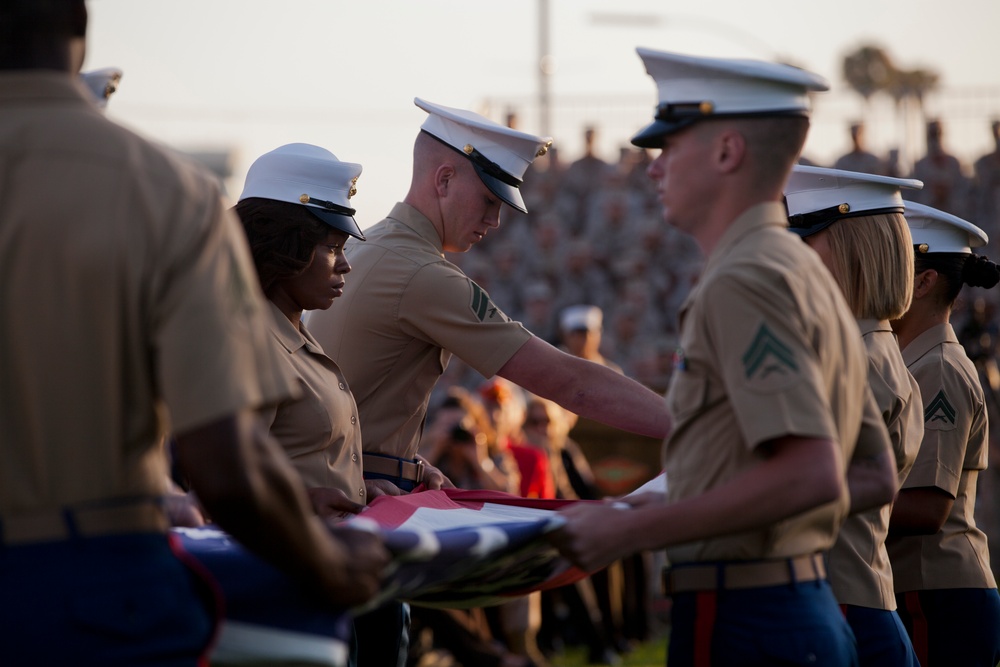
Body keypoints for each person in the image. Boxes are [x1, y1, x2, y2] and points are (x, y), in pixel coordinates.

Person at [0, 2, 388, 665]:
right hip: (100, 588)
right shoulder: (166, 190)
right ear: (79, 28)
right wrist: (325, 561)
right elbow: (224, 463)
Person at [551, 47, 898, 667]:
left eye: (670, 147)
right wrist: (672, 499)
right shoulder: (804, 270)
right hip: (798, 606)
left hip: (747, 620)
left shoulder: (745, 278)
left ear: (726, 152)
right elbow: (872, 475)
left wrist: (631, 531)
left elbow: (812, 472)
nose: (653, 170)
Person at [307, 97, 670, 494]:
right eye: (488, 200)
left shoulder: (368, 244)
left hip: (339, 481)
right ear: (444, 180)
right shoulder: (424, 274)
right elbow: (570, 382)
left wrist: (406, 464)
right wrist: (689, 425)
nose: (495, 221)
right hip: (357, 494)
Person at [784, 165, 926, 666]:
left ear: (854, 252)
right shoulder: (868, 349)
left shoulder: (857, 361)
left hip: (841, 605)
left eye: (808, 241)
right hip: (855, 600)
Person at [234, 143, 384, 518]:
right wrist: (304, 503)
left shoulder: (292, 331)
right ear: (286, 248)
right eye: (333, 248)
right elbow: (224, 478)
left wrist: (362, 489)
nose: (346, 265)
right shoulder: (248, 342)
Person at [887, 201, 1000, 667]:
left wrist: (816, 499)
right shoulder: (912, 361)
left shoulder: (936, 368)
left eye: (889, 265)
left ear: (922, 281)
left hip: (938, 593)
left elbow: (928, 507)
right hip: (925, 588)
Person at [908, 119, 971, 219]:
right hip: (928, 217)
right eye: (933, 134)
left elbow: (964, 193)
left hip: (952, 216)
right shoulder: (921, 165)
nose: (936, 138)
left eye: (938, 134)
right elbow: (915, 197)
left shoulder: (953, 162)